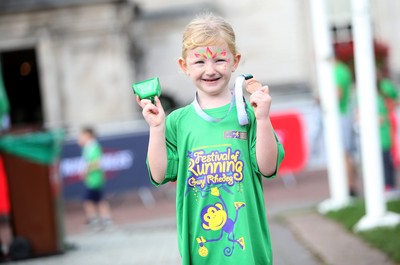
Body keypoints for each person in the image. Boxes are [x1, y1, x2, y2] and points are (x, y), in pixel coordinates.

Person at [136, 13, 284, 264]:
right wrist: (156, 128)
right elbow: (160, 175)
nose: (210, 70)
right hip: (201, 249)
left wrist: (263, 119)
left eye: (219, 60)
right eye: (200, 62)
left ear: (235, 61)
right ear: (184, 66)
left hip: (247, 251)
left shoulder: (249, 114)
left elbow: (267, 167)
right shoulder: (176, 121)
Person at [78, 126, 112, 229]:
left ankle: (95, 220)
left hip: (94, 178)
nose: (80, 138)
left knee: (88, 200)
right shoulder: (88, 147)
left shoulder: (93, 147)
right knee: (98, 199)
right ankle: (104, 219)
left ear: (88, 135)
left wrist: (85, 171)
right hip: (93, 179)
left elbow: (96, 163)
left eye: (82, 136)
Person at [333, 59, 358, 196]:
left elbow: (338, 93)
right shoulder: (344, 69)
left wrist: (320, 98)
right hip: (346, 112)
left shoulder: (336, 71)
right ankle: (352, 184)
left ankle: (350, 186)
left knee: (344, 153)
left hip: (340, 114)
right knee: (348, 152)